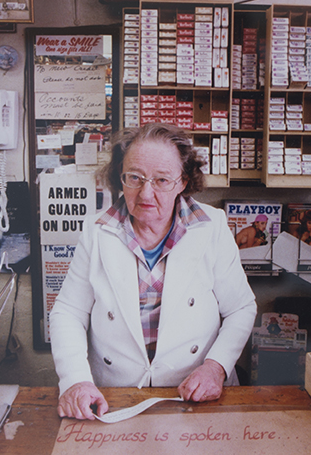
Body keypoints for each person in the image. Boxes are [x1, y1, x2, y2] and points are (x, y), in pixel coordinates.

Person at [49, 123, 257, 420]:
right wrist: (75, 380)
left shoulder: (212, 227)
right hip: (114, 397)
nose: (146, 192)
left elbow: (240, 308)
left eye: (161, 180)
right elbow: (68, 312)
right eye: (134, 177)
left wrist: (215, 367)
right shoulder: (96, 231)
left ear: (183, 181)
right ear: (120, 177)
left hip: (195, 395)